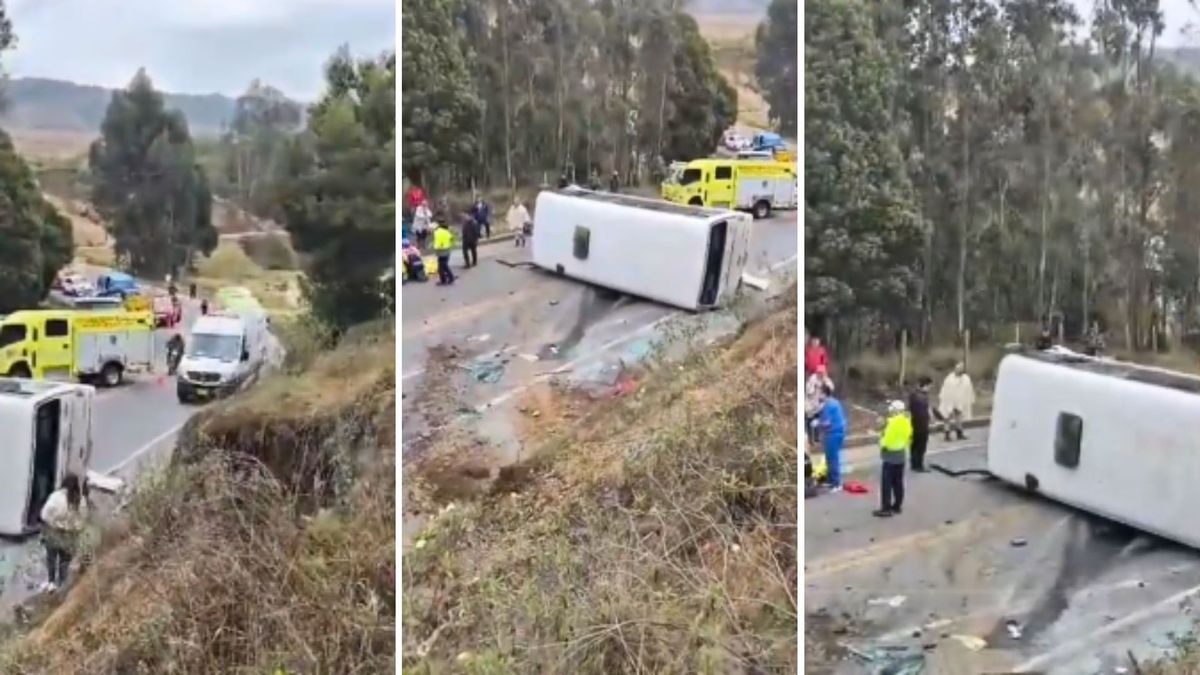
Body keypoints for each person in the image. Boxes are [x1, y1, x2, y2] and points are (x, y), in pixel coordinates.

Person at [40, 473, 87, 592]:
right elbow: (83, 520)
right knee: (65, 560)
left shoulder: (56, 497)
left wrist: (54, 523)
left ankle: (51, 582)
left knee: (51, 558)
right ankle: (62, 583)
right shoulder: (80, 501)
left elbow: (44, 514)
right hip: (70, 535)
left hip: (53, 532)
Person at [875, 400, 913, 518]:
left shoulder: (890, 424)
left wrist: (881, 434)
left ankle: (886, 508)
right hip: (901, 454)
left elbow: (885, 442)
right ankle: (897, 506)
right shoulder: (907, 421)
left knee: (886, 485)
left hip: (890, 456)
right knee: (898, 483)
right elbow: (909, 438)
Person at [818, 385, 847, 493]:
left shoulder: (828, 405)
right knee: (829, 457)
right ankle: (830, 480)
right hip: (838, 432)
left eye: (820, 393)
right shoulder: (834, 402)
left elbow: (827, 423)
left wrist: (817, 424)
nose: (818, 395)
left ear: (824, 394)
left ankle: (837, 483)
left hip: (833, 434)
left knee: (833, 458)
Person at [938, 362, 975, 441]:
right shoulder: (950, 378)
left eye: (961, 368)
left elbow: (969, 389)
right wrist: (945, 400)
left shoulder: (966, 378)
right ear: (955, 369)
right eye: (957, 368)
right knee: (947, 417)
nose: (959, 370)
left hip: (960, 400)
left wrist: (969, 399)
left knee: (959, 417)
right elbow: (945, 389)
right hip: (949, 400)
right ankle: (947, 435)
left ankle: (959, 433)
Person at [907, 377, 933, 472]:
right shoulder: (922, 397)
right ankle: (919, 465)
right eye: (929, 386)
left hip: (914, 423)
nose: (930, 388)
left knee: (914, 445)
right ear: (925, 385)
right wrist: (930, 419)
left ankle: (914, 464)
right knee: (921, 445)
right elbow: (924, 412)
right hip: (922, 424)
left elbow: (909, 409)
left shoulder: (913, 394)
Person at [804, 367, 831, 447]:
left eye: (823, 374)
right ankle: (810, 439)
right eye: (820, 373)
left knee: (817, 421)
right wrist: (815, 387)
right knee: (809, 422)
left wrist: (825, 386)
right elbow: (809, 392)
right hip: (810, 404)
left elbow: (831, 387)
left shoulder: (825, 379)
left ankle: (816, 438)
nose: (821, 375)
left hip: (818, 405)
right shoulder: (812, 380)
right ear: (817, 373)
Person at [433, 220, 456, 286]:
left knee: (443, 266)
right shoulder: (445, 231)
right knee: (442, 266)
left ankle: (450, 278)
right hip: (447, 250)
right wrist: (449, 245)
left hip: (441, 251)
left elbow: (438, 243)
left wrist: (435, 247)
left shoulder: (437, 232)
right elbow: (451, 238)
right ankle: (444, 279)